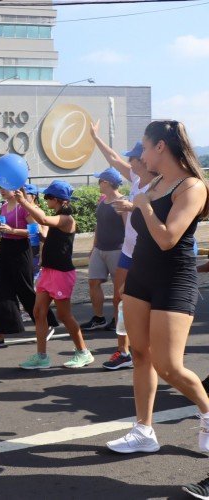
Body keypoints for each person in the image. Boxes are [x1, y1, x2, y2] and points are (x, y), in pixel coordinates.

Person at [106, 120, 209, 455]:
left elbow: (167, 238)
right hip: (140, 278)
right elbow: (145, 222)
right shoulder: (156, 182)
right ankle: (143, 430)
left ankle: (208, 414)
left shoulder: (191, 186)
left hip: (173, 279)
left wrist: (143, 205)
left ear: (161, 146)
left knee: (169, 366)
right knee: (140, 355)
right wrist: (131, 205)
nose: (141, 156)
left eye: (145, 147)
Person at [90, 122, 157, 370]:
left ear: (145, 159)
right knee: (120, 299)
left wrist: (133, 207)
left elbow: (158, 215)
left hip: (146, 252)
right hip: (129, 252)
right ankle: (124, 351)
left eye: (133, 157)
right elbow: (113, 157)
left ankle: (147, 348)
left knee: (143, 302)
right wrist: (95, 137)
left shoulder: (158, 184)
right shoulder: (136, 178)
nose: (129, 161)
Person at [0, 185, 59, 349]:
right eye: (0, 187)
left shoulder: (24, 207)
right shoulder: (3, 207)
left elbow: (34, 231)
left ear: (15, 188)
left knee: (26, 291)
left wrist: (13, 230)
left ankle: (48, 323)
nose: (1, 190)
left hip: (21, 250)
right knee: (1, 292)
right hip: (4, 250)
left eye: (5, 187)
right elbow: (0, 233)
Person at [16, 182, 94, 369]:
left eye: (47, 197)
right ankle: (41, 356)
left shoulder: (67, 219)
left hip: (61, 273)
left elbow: (43, 219)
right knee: (38, 312)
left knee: (64, 315)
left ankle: (83, 352)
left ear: (57, 199)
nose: (45, 200)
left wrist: (23, 203)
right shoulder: (58, 217)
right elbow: (48, 229)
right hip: (48, 272)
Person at [80, 167, 125, 332]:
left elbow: (129, 229)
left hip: (117, 250)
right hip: (99, 249)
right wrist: (93, 247)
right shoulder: (102, 201)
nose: (97, 183)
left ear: (106, 182)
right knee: (93, 282)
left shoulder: (122, 202)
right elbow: (98, 225)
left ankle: (117, 320)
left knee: (118, 288)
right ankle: (98, 318)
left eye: (99, 180)